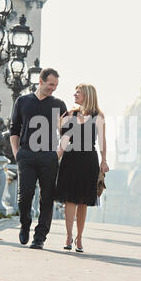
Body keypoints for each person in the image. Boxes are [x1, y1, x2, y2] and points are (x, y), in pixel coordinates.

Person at [9, 68, 67, 250]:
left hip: (48, 156)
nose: (53, 89)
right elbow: (14, 129)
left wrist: (58, 153)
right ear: (40, 82)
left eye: (56, 85)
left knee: (47, 197)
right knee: (24, 196)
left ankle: (40, 237)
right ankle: (25, 224)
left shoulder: (59, 104)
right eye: (51, 84)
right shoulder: (23, 101)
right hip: (26, 154)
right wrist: (17, 153)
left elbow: (67, 133)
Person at [55, 84, 109, 252]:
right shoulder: (71, 114)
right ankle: (69, 236)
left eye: (77, 92)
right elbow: (65, 137)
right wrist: (56, 156)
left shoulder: (98, 116)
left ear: (86, 95)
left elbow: (102, 141)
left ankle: (79, 238)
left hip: (88, 159)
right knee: (69, 198)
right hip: (71, 157)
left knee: (83, 201)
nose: (74, 95)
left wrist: (104, 161)